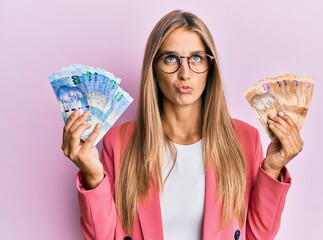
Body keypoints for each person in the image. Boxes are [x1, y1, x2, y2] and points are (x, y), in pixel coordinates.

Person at [61, 10, 303, 240]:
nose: (184, 73)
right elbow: (103, 237)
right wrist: (93, 177)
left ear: (210, 68)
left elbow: (258, 236)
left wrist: (272, 170)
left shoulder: (244, 139)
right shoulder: (119, 142)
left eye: (196, 58)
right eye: (170, 59)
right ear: (153, 68)